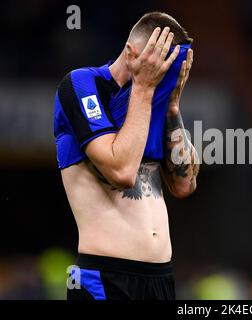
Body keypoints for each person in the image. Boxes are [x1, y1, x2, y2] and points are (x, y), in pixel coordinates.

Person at [53, 12, 199, 300]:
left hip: (161, 279)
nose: (162, 74)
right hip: (106, 278)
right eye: (159, 64)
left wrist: (172, 108)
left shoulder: (150, 101)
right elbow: (120, 172)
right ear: (133, 54)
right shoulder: (81, 84)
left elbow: (185, 184)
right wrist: (145, 89)